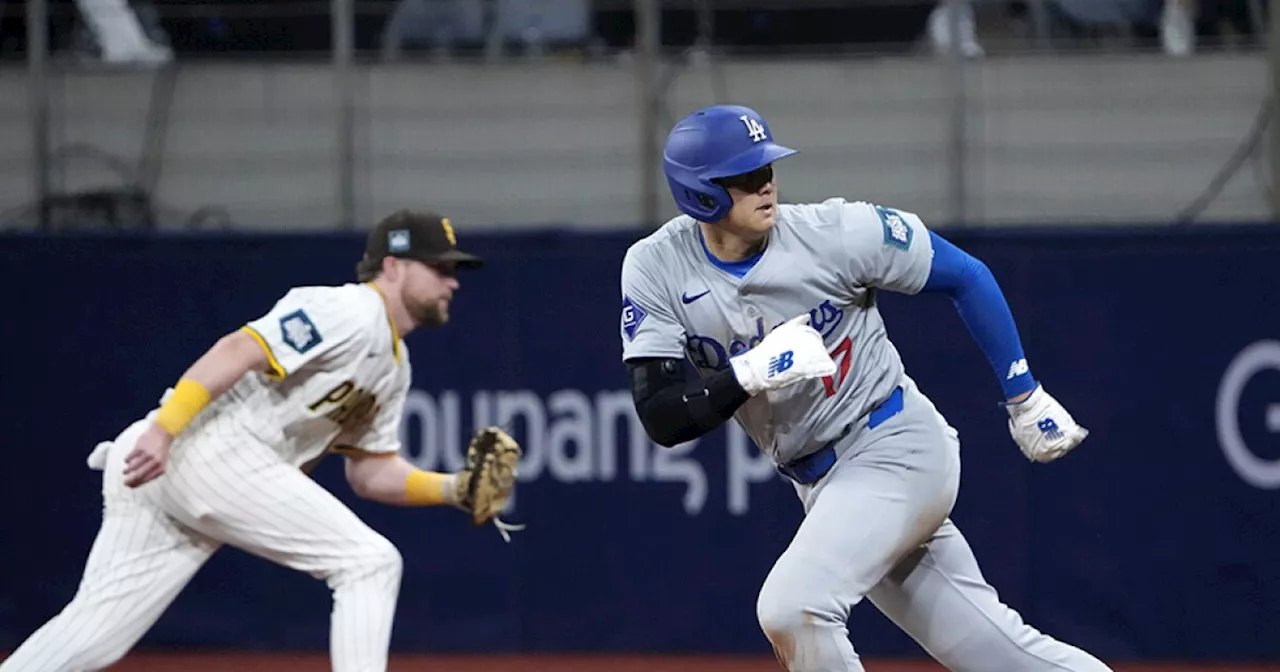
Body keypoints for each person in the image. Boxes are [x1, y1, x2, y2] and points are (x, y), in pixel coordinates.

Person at [618, 104, 1111, 672]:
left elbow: (965, 275)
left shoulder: (835, 233)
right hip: (824, 484)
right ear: (700, 195)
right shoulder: (656, 267)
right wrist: (750, 372)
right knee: (999, 654)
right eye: (745, 177)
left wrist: (1024, 395)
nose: (767, 184)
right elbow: (662, 417)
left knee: (791, 608)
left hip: (893, 444)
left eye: (768, 169)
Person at [0, 209, 522, 672]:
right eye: (439, 267)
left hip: (180, 464)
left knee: (92, 636)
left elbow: (370, 473)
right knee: (369, 562)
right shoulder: (351, 311)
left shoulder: (393, 365)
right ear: (393, 266)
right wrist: (165, 432)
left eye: (454, 270)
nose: (452, 281)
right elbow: (238, 349)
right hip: (205, 446)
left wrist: (453, 489)